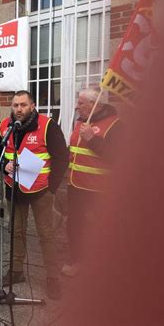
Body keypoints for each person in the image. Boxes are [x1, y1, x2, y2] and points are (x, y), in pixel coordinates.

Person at [0, 90, 68, 300]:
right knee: (16, 231)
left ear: (32, 106)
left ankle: (53, 278)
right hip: (13, 188)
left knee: (46, 234)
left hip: (41, 190)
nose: (18, 109)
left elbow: (62, 157)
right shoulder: (4, 126)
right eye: (15, 105)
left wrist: (52, 187)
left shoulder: (47, 125)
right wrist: (4, 165)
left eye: (23, 105)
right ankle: (16, 271)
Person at [62, 87, 120, 277]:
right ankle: (77, 261)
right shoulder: (81, 122)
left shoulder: (115, 125)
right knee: (75, 225)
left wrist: (92, 140)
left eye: (81, 103)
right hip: (76, 184)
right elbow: (73, 150)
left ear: (95, 105)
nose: (77, 106)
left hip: (98, 188)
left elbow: (118, 157)